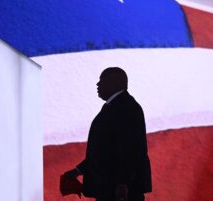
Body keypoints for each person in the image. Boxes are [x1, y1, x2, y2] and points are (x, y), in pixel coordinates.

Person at [63, 67, 152, 201]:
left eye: (102, 80)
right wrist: (79, 170)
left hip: (119, 191)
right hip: (111, 189)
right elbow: (105, 151)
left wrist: (123, 183)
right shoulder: (117, 106)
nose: (98, 85)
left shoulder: (126, 107)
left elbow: (130, 150)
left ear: (116, 82)